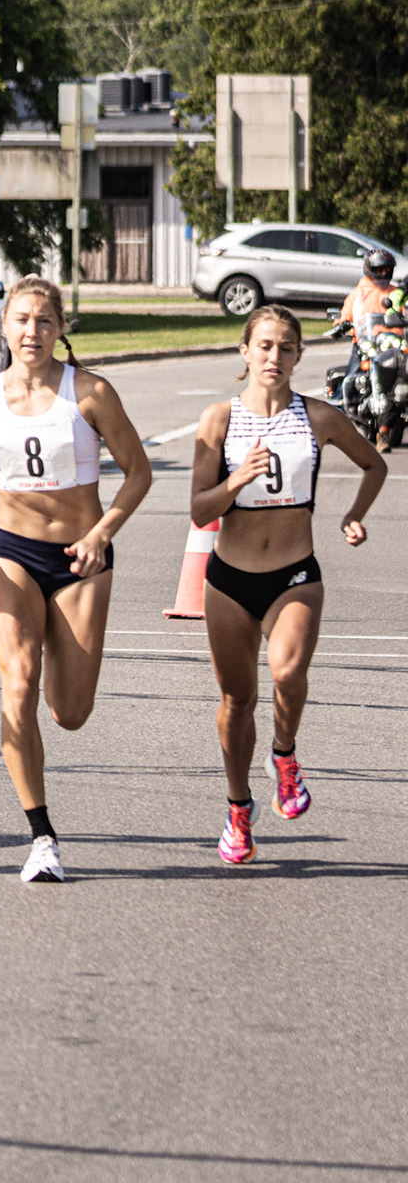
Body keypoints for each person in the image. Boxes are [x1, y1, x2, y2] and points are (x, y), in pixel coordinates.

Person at [0, 275, 152, 883]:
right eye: (21, 319)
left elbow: (138, 473)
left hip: (82, 557)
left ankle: (45, 822)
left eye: (43, 320)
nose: (31, 330)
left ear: (60, 328)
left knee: (70, 711)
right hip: (12, 554)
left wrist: (101, 534)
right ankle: (41, 836)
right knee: (17, 685)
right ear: (3, 327)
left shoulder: (90, 392)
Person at [189, 305, 386, 864]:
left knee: (287, 672)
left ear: (299, 356)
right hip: (229, 581)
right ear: (245, 351)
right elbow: (199, 510)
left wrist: (353, 515)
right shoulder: (218, 420)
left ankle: (284, 754)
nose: (274, 356)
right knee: (236, 701)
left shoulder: (319, 417)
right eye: (265, 345)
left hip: (294, 574)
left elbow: (374, 465)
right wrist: (236, 480)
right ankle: (238, 808)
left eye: (286, 347)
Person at [337, 248, 396, 444]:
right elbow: (346, 315)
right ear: (369, 269)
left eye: (387, 269)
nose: (383, 273)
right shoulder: (359, 293)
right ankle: (338, 410)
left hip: (391, 346)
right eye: (379, 269)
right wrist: (342, 324)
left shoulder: (395, 292)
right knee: (351, 376)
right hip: (365, 344)